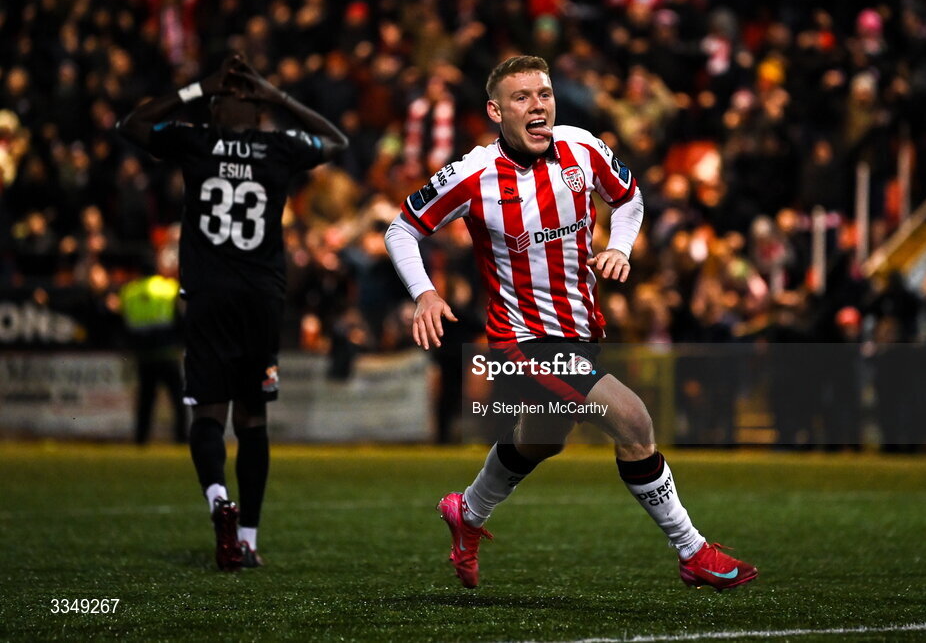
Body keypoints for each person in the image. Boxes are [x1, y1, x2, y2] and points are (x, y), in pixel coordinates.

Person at [385, 56, 757, 591]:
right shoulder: (471, 175)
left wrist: (619, 248)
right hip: (523, 339)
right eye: (522, 98)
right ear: (495, 111)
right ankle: (692, 550)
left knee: (541, 441)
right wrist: (424, 293)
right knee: (633, 421)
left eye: (544, 94)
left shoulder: (581, 146)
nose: (538, 105)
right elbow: (401, 229)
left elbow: (630, 200)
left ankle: (465, 513)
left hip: (583, 330)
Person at [118, 54, 348, 570]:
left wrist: (197, 89)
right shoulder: (278, 145)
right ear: (259, 113)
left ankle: (219, 500)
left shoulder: (198, 138)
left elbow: (129, 125)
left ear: (217, 112)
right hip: (260, 297)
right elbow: (337, 142)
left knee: (206, 411)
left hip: (206, 292)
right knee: (252, 418)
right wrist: (277, 96)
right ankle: (246, 538)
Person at [119, 250, 187, 445]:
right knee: (177, 398)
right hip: (167, 352)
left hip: (143, 355)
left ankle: (141, 438)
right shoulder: (169, 288)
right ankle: (181, 437)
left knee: (145, 400)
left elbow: (124, 324)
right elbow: (180, 319)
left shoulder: (128, 291)